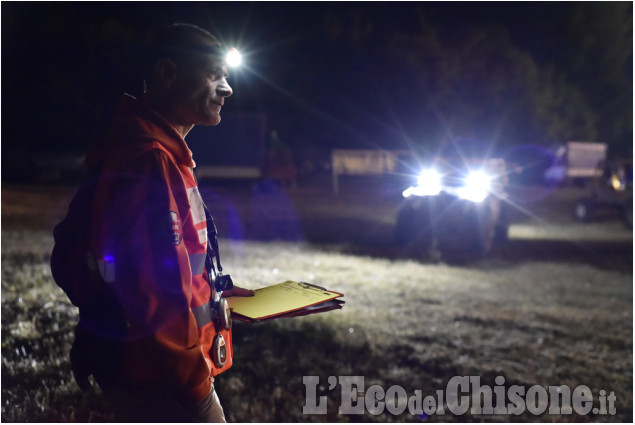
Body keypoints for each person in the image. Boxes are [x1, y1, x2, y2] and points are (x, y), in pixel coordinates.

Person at [51, 23, 253, 422]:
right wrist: (195, 385)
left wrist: (219, 296)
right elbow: (152, 289)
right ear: (166, 73)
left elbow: (175, 266)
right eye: (214, 74)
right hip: (159, 378)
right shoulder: (149, 160)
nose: (227, 89)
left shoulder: (157, 152)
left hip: (154, 372)